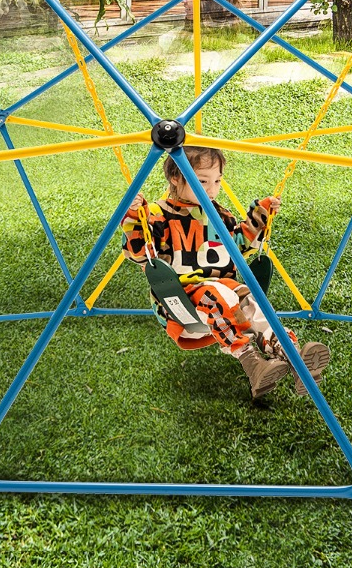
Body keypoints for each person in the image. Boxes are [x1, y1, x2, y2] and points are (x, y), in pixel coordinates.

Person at [122, 146, 330, 400]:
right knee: (218, 292)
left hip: (226, 292)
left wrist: (260, 215)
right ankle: (251, 363)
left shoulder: (220, 215)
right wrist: (134, 215)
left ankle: (294, 357)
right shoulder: (158, 215)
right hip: (180, 301)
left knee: (252, 304)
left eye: (217, 180)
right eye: (202, 181)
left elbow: (240, 244)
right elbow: (140, 253)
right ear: (175, 178)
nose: (211, 189)